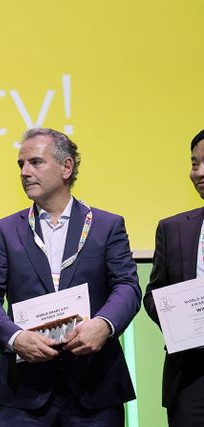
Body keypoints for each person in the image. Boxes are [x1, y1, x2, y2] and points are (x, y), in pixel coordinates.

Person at [0, 128, 141, 426]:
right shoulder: (4, 230)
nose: (25, 172)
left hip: (95, 387)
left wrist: (104, 325)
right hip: (24, 393)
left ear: (66, 167)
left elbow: (126, 286)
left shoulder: (106, 225)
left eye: (35, 162)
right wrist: (15, 338)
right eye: (21, 164)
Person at [144, 129, 204, 426]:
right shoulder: (173, 229)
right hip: (190, 376)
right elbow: (153, 295)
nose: (199, 172)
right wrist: (179, 323)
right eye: (194, 163)